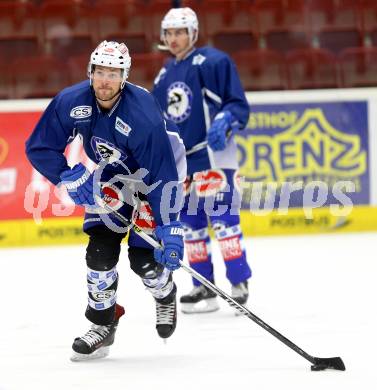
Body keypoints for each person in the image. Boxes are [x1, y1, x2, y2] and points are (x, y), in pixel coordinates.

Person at [25, 40, 186, 361]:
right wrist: (66, 175)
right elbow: (39, 145)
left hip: (157, 177)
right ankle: (102, 323)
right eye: (99, 71)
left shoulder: (143, 115)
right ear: (90, 72)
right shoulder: (72, 101)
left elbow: (162, 174)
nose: (104, 80)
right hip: (112, 175)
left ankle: (164, 292)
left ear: (124, 77)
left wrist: (169, 226)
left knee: (144, 262)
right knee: (99, 252)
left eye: (113, 73)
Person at [152, 8, 252, 314]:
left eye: (180, 32)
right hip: (184, 163)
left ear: (193, 33)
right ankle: (203, 288)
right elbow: (158, 121)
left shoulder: (214, 61)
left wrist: (225, 120)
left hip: (213, 156)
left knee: (223, 221)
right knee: (191, 226)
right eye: (169, 33)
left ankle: (238, 283)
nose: (174, 38)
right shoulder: (164, 74)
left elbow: (237, 103)